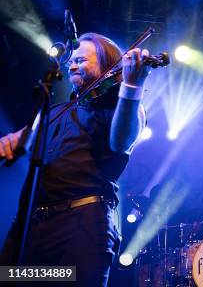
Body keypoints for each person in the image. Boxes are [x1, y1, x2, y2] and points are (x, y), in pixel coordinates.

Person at [0, 33, 151, 287]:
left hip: (81, 228)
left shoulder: (120, 107)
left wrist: (131, 88)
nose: (72, 65)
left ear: (107, 66)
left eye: (81, 60)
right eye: (71, 60)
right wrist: (11, 142)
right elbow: (20, 140)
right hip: (30, 231)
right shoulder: (55, 111)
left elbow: (121, 142)